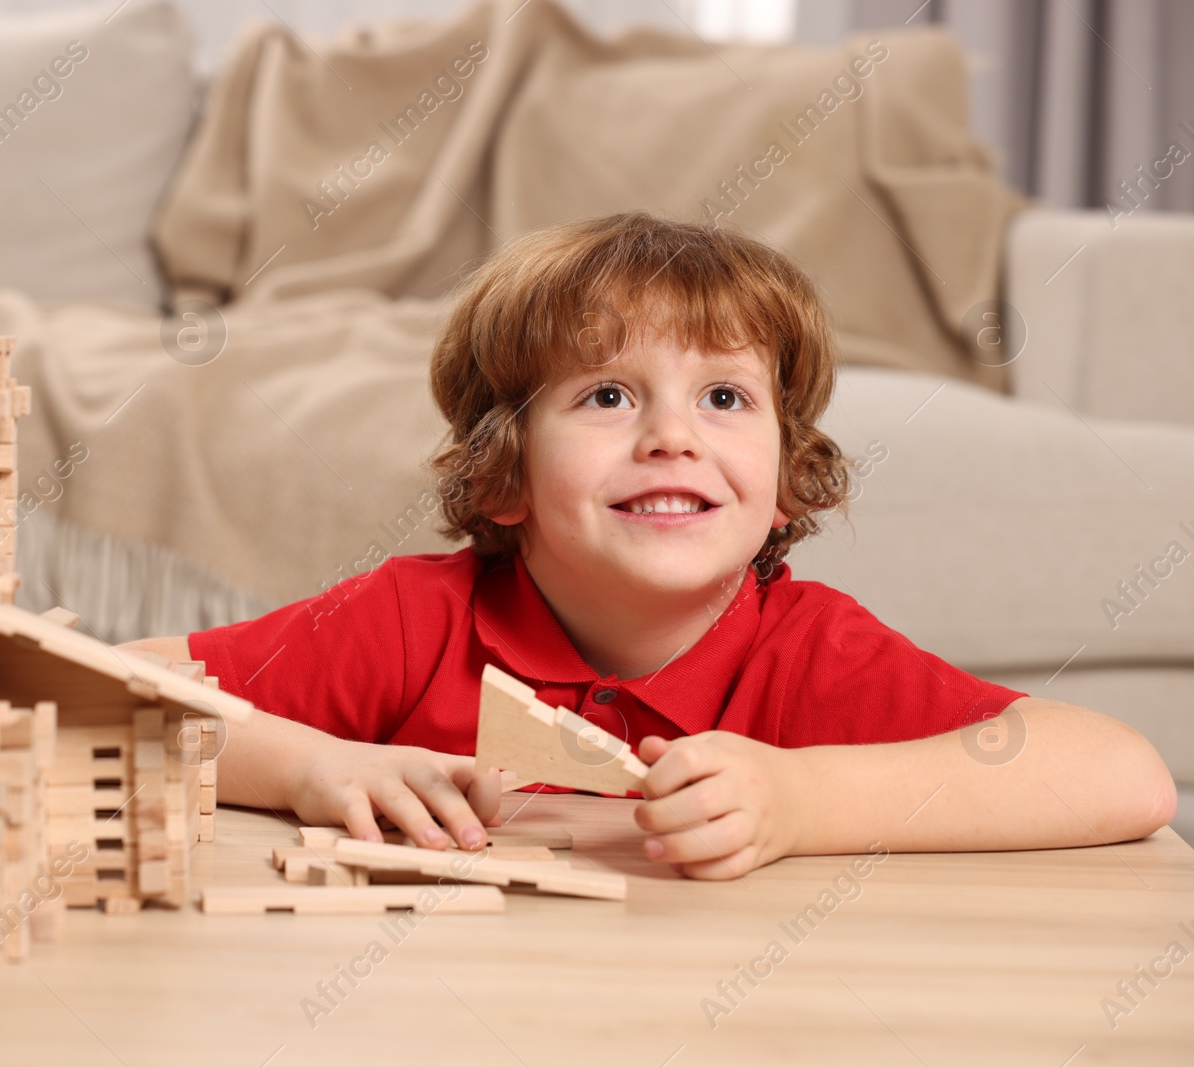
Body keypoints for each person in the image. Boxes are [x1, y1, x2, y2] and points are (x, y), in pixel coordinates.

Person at [120, 211, 1175, 880]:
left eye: (723, 397)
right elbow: (101, 689)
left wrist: (803, 802)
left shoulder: (804, 646)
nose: (671, 434)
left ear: (782, 482)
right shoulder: (409, 616)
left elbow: (1122, 775)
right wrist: (310, 762)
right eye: (607, 395)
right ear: (502, 470)